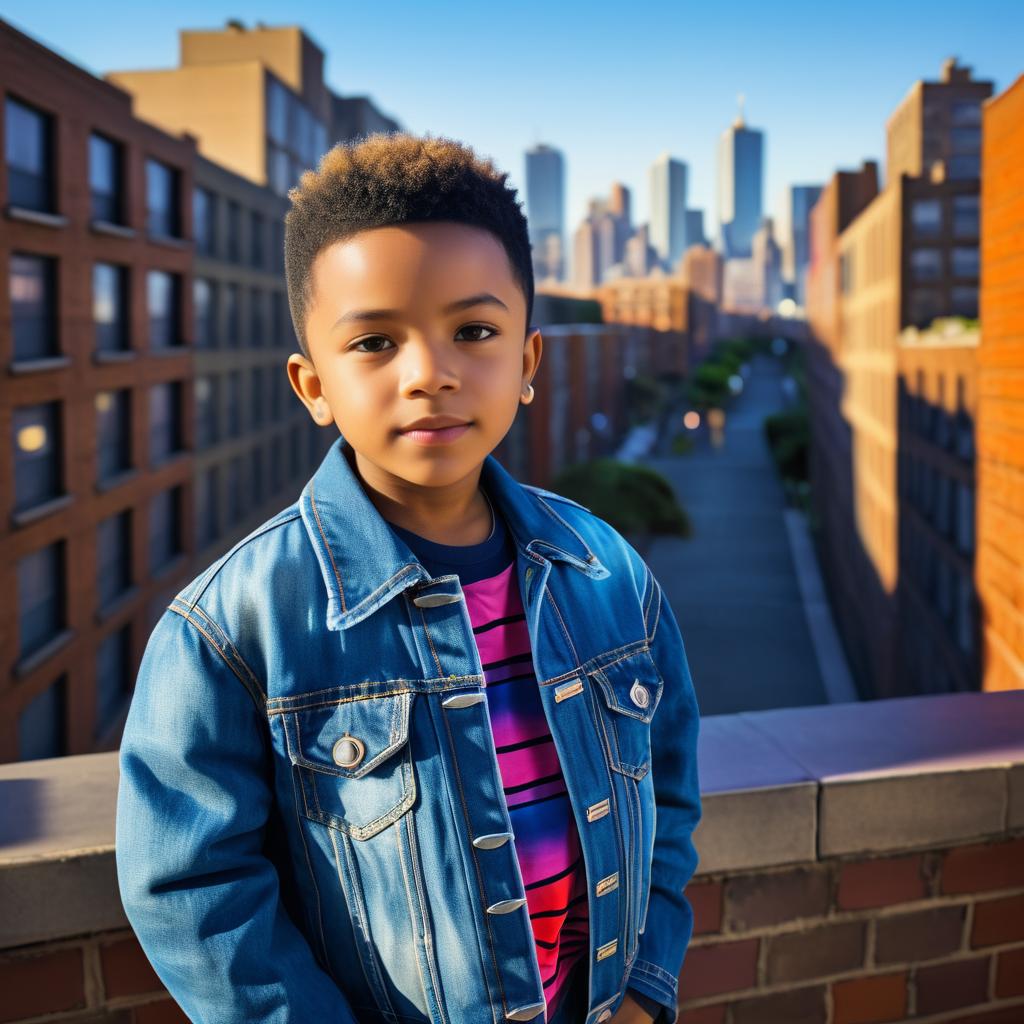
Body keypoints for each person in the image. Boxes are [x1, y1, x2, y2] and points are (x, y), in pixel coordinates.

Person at [115, 131, 702, 1024]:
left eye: (474, 331)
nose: (430, 374)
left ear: (529, 363)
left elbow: (669, 791)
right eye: (376, 343)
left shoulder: (606, 570)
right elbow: (192, 886)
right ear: (313, 385)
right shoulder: (235, 626)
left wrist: (645, 996)